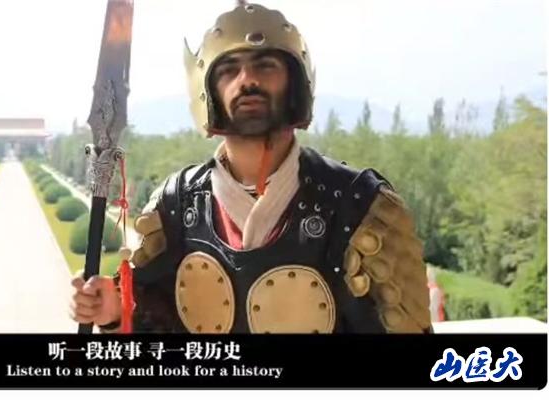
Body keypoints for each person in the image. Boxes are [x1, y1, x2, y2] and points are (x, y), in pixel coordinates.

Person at [70, 2, 432, 334]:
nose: (247, 80)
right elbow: (154, 324)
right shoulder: (177, 204)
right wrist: (113, 311)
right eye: (229, 69)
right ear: (208, 91)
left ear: (295, 83)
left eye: (265, 65)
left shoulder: (361, 206)